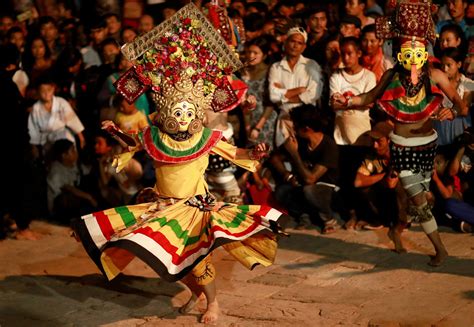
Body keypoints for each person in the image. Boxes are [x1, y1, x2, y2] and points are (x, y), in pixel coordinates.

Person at [72, 6, 287, 324]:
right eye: (178, 111)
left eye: (189, 112)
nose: (183, 118)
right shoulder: (154, 136)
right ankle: (198, 294)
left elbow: (236, 153)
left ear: (197, 113)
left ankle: (213, 303)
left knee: (197, 262)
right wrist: (119, 142)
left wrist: (255, 153)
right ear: (166, 112)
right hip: (161, 206)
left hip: (193, 209)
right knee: (168, 262)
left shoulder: (206, 139)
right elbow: (134, 144)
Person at [332, 0, 468, 266]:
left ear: (425, 49)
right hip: (401, 145)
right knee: (419, 198)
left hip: (428, 144)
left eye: (417, 48)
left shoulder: (435, 74)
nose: (413, 53)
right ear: (399, 50)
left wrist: (452, 112)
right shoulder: (391, 75)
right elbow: (369, 97)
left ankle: (397, 228)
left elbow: (460, 105)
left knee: (420, 198)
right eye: (407, 48)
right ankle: (440, 248)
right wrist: (346, 101)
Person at [279, 104, 340, 233]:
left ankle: (329, 220)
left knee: (310, 190)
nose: (294, 129)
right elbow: (274, 159)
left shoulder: (328, 146)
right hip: (304, 185)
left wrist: (294, 154)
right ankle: (305, 216)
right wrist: (288, 175)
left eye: (296, 126)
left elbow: (310, 179)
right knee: (282, 191)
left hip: (327, 189)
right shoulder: (301, 141)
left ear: (306, 129)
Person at [268, 26, 324, 149]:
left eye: (299, 43)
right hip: (285, 118)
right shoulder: (276, 67)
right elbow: (273, 96)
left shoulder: (312, 65)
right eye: (292, 41)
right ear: (286, 42)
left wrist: (284, 95)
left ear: (304, 47)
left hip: (306, 122)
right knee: (285, 157)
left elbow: (313, 94)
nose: (295, 46)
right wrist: (299, 90)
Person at [353, 121, 400, 230]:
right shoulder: (372, 156)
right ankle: (380, 219)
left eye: (379, 141)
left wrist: (379, 179)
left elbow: (391, 184)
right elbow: (357, 181)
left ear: (389, 140)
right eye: (373, 141)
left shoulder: (398, 154)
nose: (375, 145)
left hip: (406, 197)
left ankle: (403, 219)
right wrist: (383, 176)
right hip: (386, 193)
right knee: (365, 189)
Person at [28, 76, 86, 162]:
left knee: (70, 159)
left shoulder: (61, 102)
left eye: (49, 90)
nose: (46, 93)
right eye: (43, 91)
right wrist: (34, 147)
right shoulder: (35, 108)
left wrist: (81, 138)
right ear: (38, 92)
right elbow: (33, 130)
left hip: (64, 136)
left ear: (53, 89)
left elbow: (72, 120)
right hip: (48, 141)